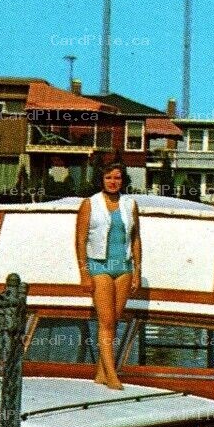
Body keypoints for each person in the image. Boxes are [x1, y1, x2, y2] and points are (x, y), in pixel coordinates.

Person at [74, 163, 141, 390]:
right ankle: (112, 375)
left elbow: (136, 239)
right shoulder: (89, 204)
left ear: (123, 181)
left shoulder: (130, 204)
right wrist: (84, 273)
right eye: (109, 177)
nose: (113, 182)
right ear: (101, 179)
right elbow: (80, 240)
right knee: (106, 321)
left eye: (118, 178)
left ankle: (100, 373)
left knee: (116, 321)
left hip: (124, 267)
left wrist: (137, 271)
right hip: (99, 266)